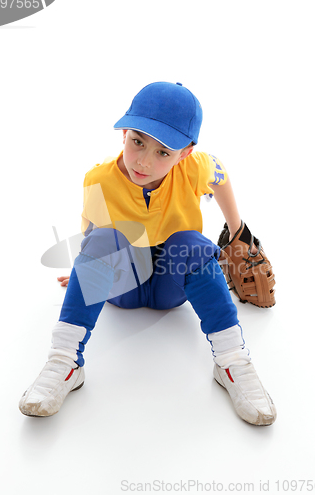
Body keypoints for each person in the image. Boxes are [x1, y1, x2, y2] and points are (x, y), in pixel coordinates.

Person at [19, 82, 277, 426]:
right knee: (105, 237)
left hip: (172, 285)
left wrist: (237, 230)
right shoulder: (99, 179)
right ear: (123, 133)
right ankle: (64, 362)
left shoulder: (195, 167)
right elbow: (92, 239)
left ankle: (232, 362)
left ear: (184, 153)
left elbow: (221, 176)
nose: (144, 160)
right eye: (138, 142)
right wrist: (84, 275)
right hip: (123, 288)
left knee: (190, 242)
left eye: (163, 152)